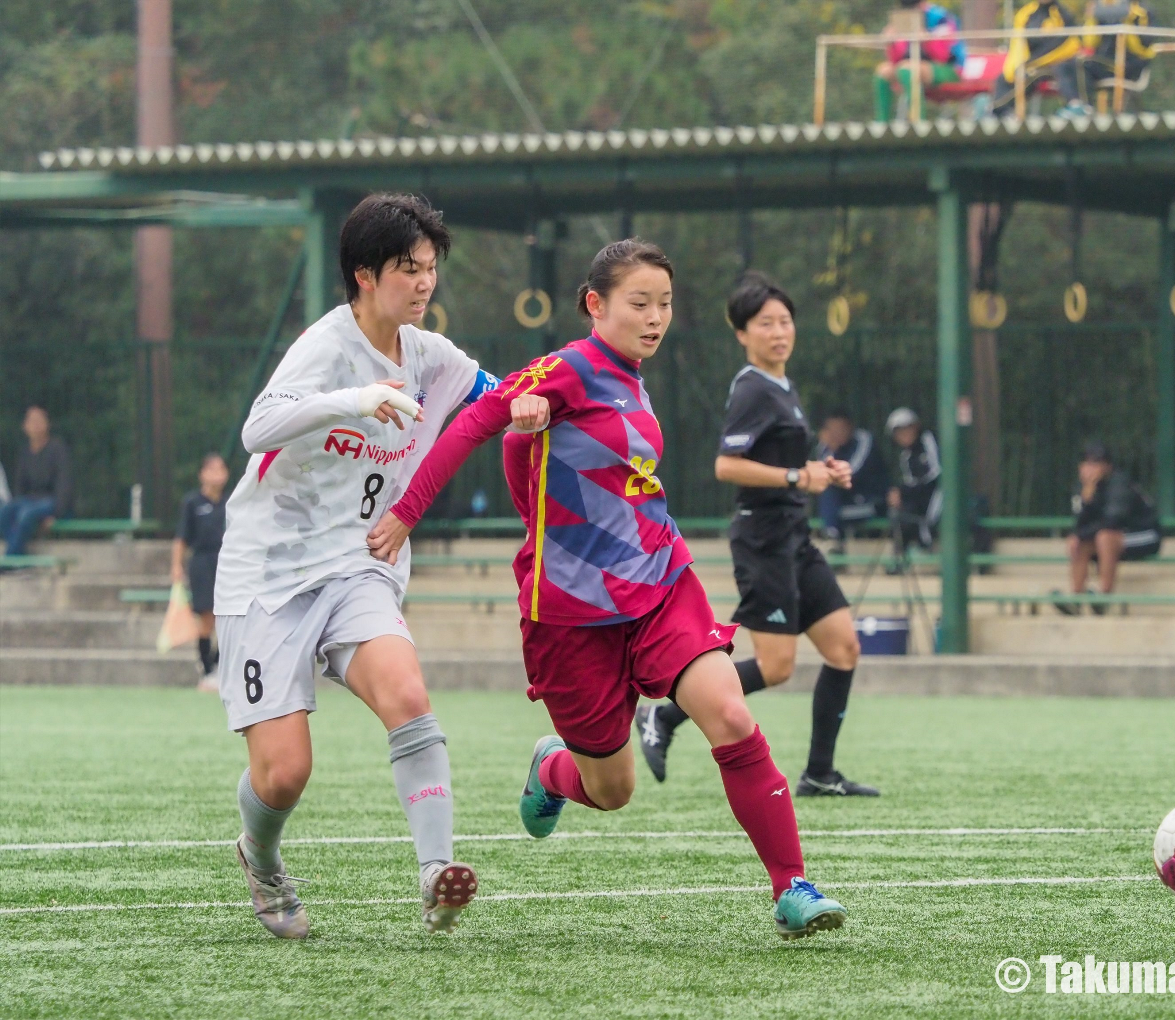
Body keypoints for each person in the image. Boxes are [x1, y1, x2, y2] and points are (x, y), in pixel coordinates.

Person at [368, 242, 850, 941]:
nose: (656, 319)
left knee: (731, 715)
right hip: (569, 614)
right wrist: (408, 512)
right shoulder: (564, 369)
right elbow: (479, 425)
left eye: (665, 304)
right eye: (639, 304)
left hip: (659, 582)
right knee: (611, 790)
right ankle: (552, 770)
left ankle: (792, 887)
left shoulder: (631, 376)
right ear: (596, 305)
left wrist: (532, 444)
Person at [213, 192, 532, 940]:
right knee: (285, 773)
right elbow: (256, 429)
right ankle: (259, 857)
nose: (423, 283)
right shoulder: (326, 347)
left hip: (360, 566)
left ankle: (436, 875)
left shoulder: (432, 357)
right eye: (405, 269)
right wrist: (352, 399)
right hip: (268, 573)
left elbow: (498, 398)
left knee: (407, 693)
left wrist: (538, 402)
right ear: (363, 274)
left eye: (428, 269)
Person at [633, 272, 878, 799]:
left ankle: (819, 773)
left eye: (785, 321)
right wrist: (795, 477)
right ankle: (664, 716)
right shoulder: (751, 387)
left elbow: (782, 463)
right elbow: (727, 465)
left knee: (843, 648)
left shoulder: (784, 388)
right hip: (763, 539)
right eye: (764, 323)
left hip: (795, 535)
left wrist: (819, 470)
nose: (778, 332)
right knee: (776, 666)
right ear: (742, 333)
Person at [1057, 441, 1161, 614]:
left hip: (1144, 535)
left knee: (1104, 537)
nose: (1090, 468)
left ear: (1107, 466)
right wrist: (1086, 501)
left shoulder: (1119, 484)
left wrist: (1081, 532)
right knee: (1079, 542)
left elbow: (1113, 520)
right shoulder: (1082, 488)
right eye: (1086, 463)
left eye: (1096, 463)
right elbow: (1080, 524)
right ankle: (1076, 598)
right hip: (1108, 535)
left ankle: (1104, 596)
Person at [173, 453, 230, 692]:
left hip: (227, 563)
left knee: (227, 618)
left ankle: (221, 667)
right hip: (203, 564)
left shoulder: (232, 502)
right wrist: (176, 566)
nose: (217, 474)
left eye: (221, 469)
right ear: (202, 474)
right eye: (212, 469)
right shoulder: (192, 503)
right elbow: (181, 538)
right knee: (206, 619)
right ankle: (207, 671)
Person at [873, 0, 967, 123]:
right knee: (883, 71)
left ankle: (917, 122)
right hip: (914, 66)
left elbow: (944, 56)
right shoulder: (905, 18)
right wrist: (891, 43)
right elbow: (897, 59)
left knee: (907, 70)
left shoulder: (940, 17)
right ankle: (882, 123)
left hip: (949, 69)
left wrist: (926, 39)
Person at [992, 0, 1088, 118]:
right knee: (1003, 78)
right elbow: (1018, 44)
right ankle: (1000, 111)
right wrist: (1015, 67)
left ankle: (1075, 106)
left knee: (1039, 74)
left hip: (1057, 61)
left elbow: (1070, 43)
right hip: (1032, 62)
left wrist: (1036, 62)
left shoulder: (1063, 12)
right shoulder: (1026, 13)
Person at [1, 406, 73, 556]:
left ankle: (9, 561)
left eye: (39, 421)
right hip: (30, 501)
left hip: (50, 501)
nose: (35, 425)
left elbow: (64, 484)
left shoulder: (57, 449)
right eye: (31, 421)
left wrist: (56, 514)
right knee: (5, 513)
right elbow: (19, 486)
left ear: (47, 424)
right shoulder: (24, 452)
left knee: (26, 514)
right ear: (25, 426)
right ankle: (19, 555)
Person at [815, 411, 889, 555]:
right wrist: (830, 449)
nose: (836, 434)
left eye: (841, 429)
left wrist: (830, 473)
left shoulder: (864, 439)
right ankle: (833, 537)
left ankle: (832, 536)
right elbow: (819, 474)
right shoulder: (826, 446)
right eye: (832, 429)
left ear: (851, 427)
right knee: (828, 492)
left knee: (830, 503)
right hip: (843, 504)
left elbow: (851, 473)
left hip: (871, 501)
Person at [884, 407, 942, 555]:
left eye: (907, 428)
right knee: (902, 513)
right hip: (922, 495)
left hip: (940, 490)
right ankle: (899, 556)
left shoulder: (929, 440)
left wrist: (903, 491)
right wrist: (898, 494)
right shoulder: (905, 456)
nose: (903, 435)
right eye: (898, 432)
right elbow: (911, 482)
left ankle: (927, 541)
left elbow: (936, 474)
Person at [1081, 0, 1156, 105]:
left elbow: (1142, 48)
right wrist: (1091, 19)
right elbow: (1089, 43)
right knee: (1079, 65)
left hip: (1131, 66)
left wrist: (1128, 22)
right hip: (1106, 65)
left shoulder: (1143, 11)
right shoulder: (1102, 9)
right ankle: (1083, 107)